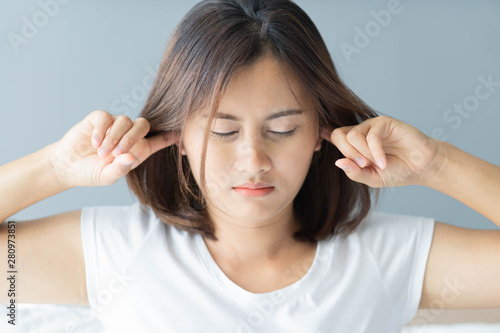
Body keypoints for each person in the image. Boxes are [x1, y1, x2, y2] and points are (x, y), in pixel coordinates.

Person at [1, 0, 499, 332]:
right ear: (177, 137)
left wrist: (436, 162)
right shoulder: (113, 252)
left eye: (282, 130)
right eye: (222, 131)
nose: (254, 161)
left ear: (320, 135)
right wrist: (57, 167)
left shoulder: (388, 257)